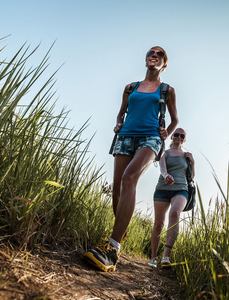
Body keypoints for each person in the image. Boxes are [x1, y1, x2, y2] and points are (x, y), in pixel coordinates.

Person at [83, 46, 179, 272]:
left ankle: (111, 250)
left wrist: (168, 132)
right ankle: (120, 235)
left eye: (159, 54)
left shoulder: (167, 90)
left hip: (151, 138)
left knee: (129, 179)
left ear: (163, 64)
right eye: (150, 53)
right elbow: (121, 112)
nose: (153, 55)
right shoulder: (130, 87)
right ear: (146, 60)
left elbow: (175, 119)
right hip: (125, 136)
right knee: (117, 190)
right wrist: (118, 123)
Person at [147, 128, 195, 269]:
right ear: (172, 137)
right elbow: (162, 168)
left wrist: (192, 162)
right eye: (176, 134)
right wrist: (166, 175)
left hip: (181, 189)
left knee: (174, 214)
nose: (179, 137)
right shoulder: (164, 152)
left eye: (182, 135)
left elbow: (191, 177)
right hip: (162, 189)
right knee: (158, 224)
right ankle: (153, 257)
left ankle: (166, 256)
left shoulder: (187, 156)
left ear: (184, 139)